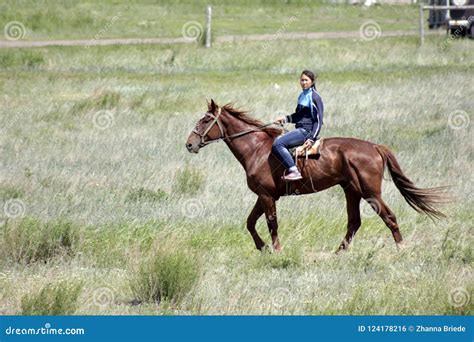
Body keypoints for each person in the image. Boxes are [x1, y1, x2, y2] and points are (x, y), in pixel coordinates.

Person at [272, 70, 324, 181]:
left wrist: (311, 138)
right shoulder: (302, 96)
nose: (304, 82)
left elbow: (318, 121)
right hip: (300, 129)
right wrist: (285, 119)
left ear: (312, 81)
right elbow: (298, 116)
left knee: (278, 144)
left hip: (306, 131)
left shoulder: (315, 97)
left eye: (306, 80)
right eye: (302, 80)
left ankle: (293, 170)